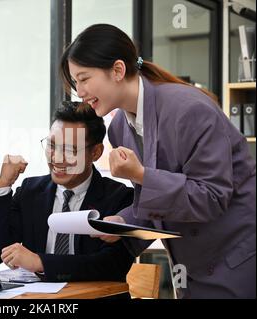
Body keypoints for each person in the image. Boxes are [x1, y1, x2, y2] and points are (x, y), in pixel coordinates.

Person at [60, 24, 256, 298]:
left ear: (117, 70)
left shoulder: (190, 109)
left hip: (237, 257)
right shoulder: (119, 129)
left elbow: (212, 197)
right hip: (190, 264)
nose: (79, 91)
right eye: (75, 82)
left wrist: (141, 175)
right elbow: (157, 202)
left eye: (84, 79)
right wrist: (122, 222)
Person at [0, 102, 134, 282]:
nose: (57, 159)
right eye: (52, 145)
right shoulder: (31, 191)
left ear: (96, 152)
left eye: (70, 150)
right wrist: (3, 185)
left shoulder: (119, 198)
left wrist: (41, 263)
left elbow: (112, 265)